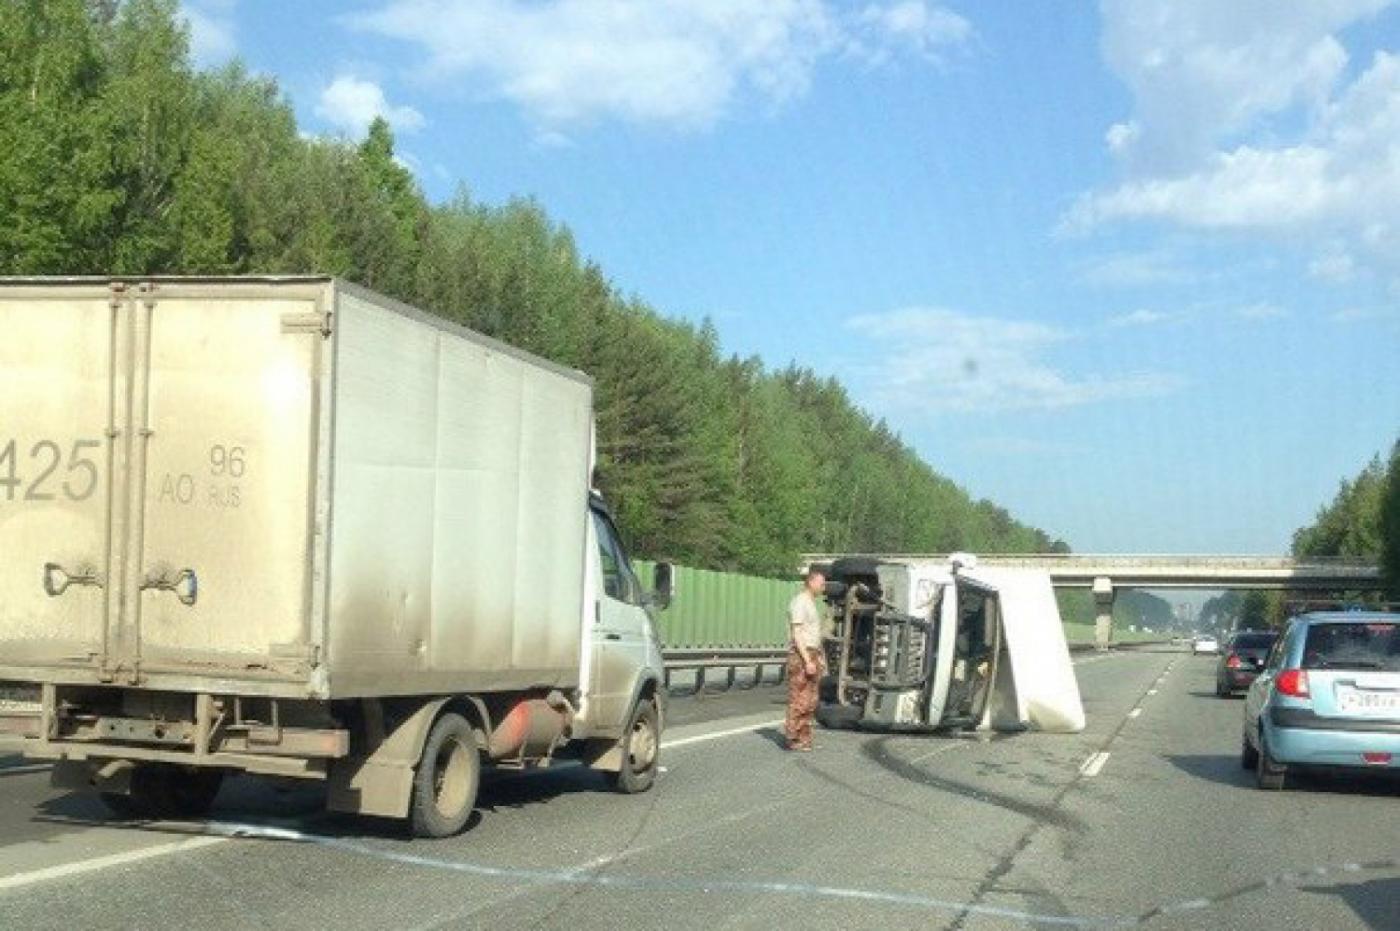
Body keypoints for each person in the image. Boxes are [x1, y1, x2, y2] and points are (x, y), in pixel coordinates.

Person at [785, 568, 826, 751]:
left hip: (812, 653)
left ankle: (804, 738)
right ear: (811, 582)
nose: (824, 587)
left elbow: (813, 634)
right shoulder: (800, 602)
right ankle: (793, 737)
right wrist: (807, 660)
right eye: (821, 583)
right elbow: (797, 633)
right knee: (800, 698)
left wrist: (818, 657)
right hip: (802, 654)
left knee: (810, 699)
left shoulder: (810, 603)